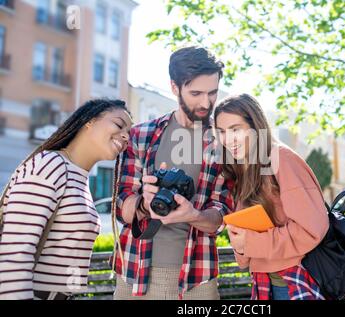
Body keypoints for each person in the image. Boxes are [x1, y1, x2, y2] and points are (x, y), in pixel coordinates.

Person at [112, 46, 234, 300]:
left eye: (213, 93)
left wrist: (194, 215)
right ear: (174, 87)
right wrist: (145, 204)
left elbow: (222, 214)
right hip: (134, 272)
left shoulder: (224, 142)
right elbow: (121, 204)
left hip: (197, 278)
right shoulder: (141, 135)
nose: (205, 102)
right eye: (196, 93)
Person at [0, 99, 132, 300]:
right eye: (119, 125)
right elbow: (15, 253)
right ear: (90, 121)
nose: (126, 136)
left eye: (129, 132)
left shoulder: (79, 178)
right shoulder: (50, 164)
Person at [214, 93, 329, 300]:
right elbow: (247, 250)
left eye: (235, 130)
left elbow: (311, 230)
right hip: (264, 283)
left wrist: (249, 243)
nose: (227, 139)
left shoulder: (281, 158)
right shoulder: (243, 170)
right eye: (221, 132)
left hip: (295, 282)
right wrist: (240, 242)